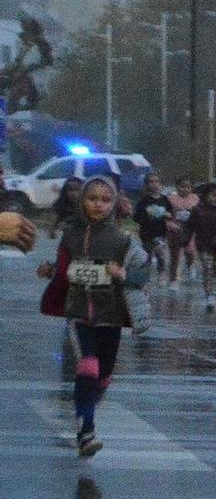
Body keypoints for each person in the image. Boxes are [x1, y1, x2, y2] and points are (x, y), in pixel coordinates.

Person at [37, 176, 136, 458]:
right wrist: (51, 270)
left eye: (105, 200)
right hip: (79, 313)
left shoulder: (122, 240)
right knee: (87, 367)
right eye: (92, 198)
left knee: (102, 376)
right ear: (82, 201)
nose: (98, 204)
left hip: (111, 315)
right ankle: (86, 431)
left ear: (114, 204)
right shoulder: (71, 236)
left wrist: (122, 274)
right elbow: (63, 268)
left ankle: (90, 401)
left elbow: (141, 272)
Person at [186, 182, 216, 309]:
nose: (214, 198)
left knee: (215, 269)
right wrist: (185, 240)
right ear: (205, 196)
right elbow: (190, 226)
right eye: (212, 195)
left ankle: (212, 281)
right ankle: (210, 296)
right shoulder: (197, 210)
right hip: (203, 244)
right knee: (207, 267)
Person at [134, 173, 172, 276]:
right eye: (151, 181)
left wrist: (167, 215)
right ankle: (146, 275)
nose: (154, 184)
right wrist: (147, 215)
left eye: (156, 181)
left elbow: (171, 213)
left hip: (160, 232)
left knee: (160, 253)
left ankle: (161, 273)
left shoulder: (164, 199)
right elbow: (136, 217)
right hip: (146, 233)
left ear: (160, 184)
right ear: (146, 184)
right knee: (147, 254)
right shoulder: (143, 200)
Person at [166, 176, 199, 287]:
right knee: (174, 256)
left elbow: (199, 213)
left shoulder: (195, 198)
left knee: (190, 251)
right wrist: (169, 223)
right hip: (174, 230)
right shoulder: (171, 199)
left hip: (189, 229)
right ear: (177, 187)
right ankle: (173, 280)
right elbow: (166, 214)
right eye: (182, 186)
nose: (185, 189)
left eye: (188, 187)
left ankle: (190, 266)